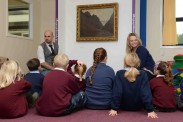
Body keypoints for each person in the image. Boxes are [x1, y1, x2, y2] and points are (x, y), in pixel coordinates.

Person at [109, 53, 158, 118]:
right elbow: (145, 93)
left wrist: (114, 108)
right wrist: (150, 110)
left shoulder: (119, 73)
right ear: (137, 62)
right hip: (138, 107)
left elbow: (117, 92)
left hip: (123, 107)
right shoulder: (143, 74)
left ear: (125, 62)